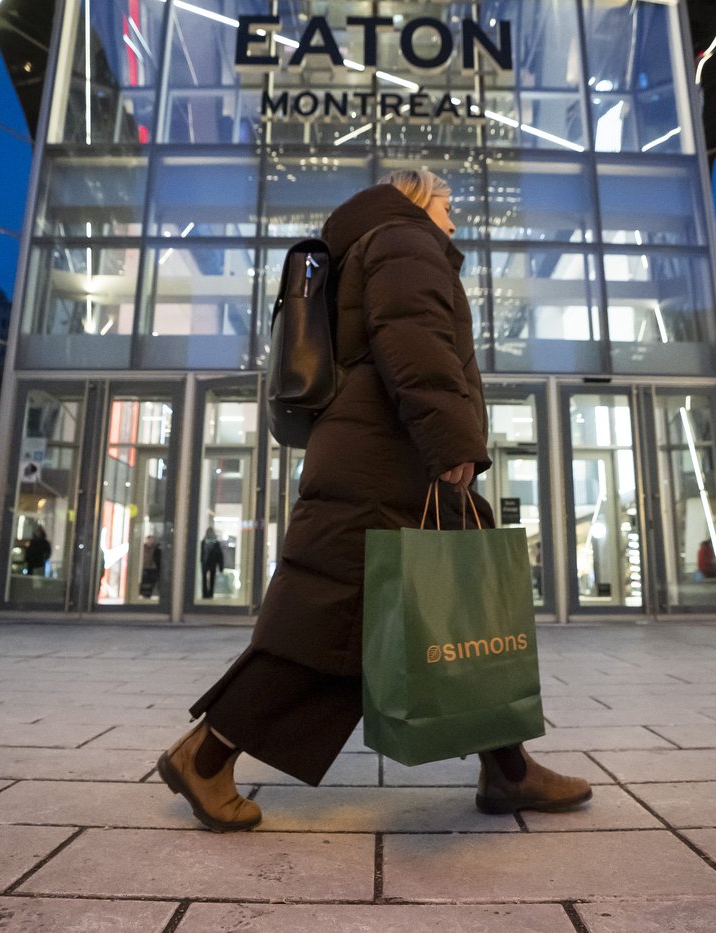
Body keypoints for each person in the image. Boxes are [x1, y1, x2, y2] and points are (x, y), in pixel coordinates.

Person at [157, 171, 592, 832]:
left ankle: (508, 768)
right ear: (420, 197)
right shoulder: (403, 239)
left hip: (380, 455)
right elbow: (413, 340)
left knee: (440, 613)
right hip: (387, 462)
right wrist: (452, 439)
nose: (455, 215)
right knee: (336, 625)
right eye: (448, 201)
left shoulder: (370, 242)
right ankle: (206, 754)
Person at [199, 526, 224, 599]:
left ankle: (206, 593)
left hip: (206, 562)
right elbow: (220, 555)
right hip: (211, 562)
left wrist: (201, 560)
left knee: (205, 579)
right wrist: (220, 566)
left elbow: (219, 555)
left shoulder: (204, 542)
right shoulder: (215, 543)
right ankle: (209, 593)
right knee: (210, 579)